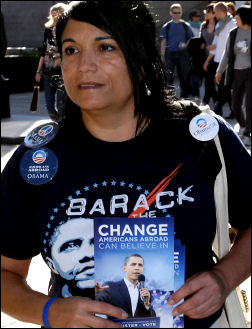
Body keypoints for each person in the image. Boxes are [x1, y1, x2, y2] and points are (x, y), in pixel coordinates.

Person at [1, 1, 251, 328]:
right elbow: (5, 274)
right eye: (71, 50)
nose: (84, 65)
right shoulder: (39, 159)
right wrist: (49, 311)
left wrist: (222, 278)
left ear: (142, 59)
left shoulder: (200, 137)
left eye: (105, 47)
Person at [215, 5, 251, 147]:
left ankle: (248, 133)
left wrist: (246, 47)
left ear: (245, 17)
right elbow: (227, 54)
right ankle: (243, 125)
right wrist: (219, 71)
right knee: (235, 103)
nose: (235, 18)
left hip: (250, 71)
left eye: (238, 16)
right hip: (236, 72)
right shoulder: (233, 33)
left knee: (249, 104)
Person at [203, 2, 236, 117]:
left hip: (228, 62)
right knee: (222, 87)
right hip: (217, 60)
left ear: (221, 11)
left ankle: (217, 110)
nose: (214, 14)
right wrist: (207, 61)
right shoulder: (219, 25)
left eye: (215, 11)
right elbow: (215, 43)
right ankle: (232, 112)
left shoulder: (233, 24)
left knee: (224, 88)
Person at [96, 254, 155, 318]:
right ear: (124, 268)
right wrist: (95, 293)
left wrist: (147, 305)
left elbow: (153, 318)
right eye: (133, 264)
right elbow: (95, 305)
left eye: (140, 265)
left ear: (143, 270)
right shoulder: (110, 287)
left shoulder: (146, 293)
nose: (137, 268)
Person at [35, 3, 67, 122]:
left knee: (61, 105)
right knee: (49, 106)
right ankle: (57, 124)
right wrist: (38, 70)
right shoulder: (48, 31)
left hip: (62, 73)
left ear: (63, 15)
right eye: (52, 15)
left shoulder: (67, 31)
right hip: (48, 72)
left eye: (56, 15)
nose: (54, 18)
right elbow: (43, 52)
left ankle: (60, 128)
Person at [160, 3, 194, 98]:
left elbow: (191, 39)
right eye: (175, 12)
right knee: (169, 76)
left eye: (179, 12)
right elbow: (163, 41)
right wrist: (162, 56)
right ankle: (170, 97)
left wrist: (185, 45)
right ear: (171, 13)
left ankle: (185, 96)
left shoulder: (185, 25)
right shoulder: (166, 26)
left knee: (184, 76)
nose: (177, 14)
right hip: (169, 54)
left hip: (183, 54)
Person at [200, 4, 218, 106]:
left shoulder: (219, 25)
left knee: (210, 80)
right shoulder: (203, 25)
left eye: (208, 12)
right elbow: (201, 40)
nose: (205, 14)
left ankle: (207, 100)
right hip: (205, 57)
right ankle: (216, 100)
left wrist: (214, 46)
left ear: (214, 14)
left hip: (216, 57)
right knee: (208, 80)